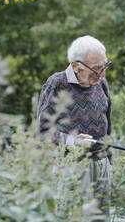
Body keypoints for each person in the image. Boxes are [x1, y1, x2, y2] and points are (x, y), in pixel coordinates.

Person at [37, 35, 113, 221]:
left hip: (101, 165)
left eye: (105, 66)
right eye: (97, 69)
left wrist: (110, 162)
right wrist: (72, 142)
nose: (103, 74)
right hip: (73, 168)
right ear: (76, 66)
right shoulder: (56, 84)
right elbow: (43, 131)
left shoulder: (101, 83)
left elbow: (108, 124)